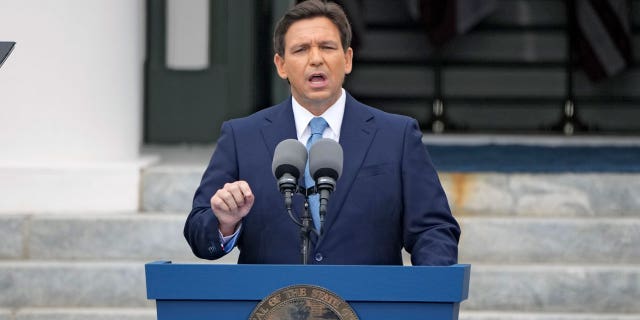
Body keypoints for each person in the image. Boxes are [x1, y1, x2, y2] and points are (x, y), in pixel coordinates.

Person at [184, 0, 460, 266]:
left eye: (327, 47)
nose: (316, 59)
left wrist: (429, 291)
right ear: (281, 65)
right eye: (301, 49)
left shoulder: (396, 136)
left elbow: (434, 229)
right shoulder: (241, 136)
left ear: (348, 59)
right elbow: (198, 232)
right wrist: (225, 222)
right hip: (273, 308)